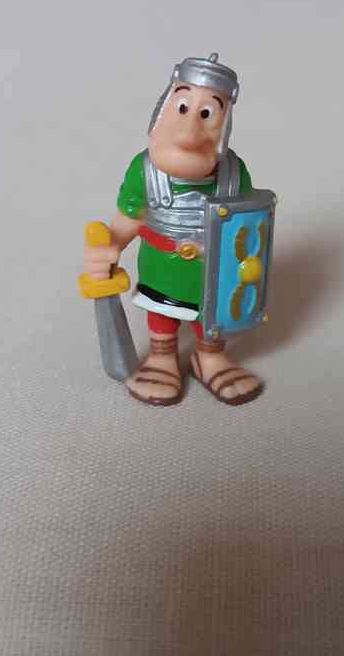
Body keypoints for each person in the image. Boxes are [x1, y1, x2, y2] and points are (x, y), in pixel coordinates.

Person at [83, 54, 265, 407]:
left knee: (210, 315)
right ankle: (162, 357)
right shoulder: (145, 171)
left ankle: (209, 356)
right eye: (183, 107)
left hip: (213, 273)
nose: (190, 128)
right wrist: (110, 247)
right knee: (162, 313)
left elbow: (245, 227)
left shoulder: (233, 173)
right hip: (162, 268)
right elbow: (129, 219)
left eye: (207, 113)